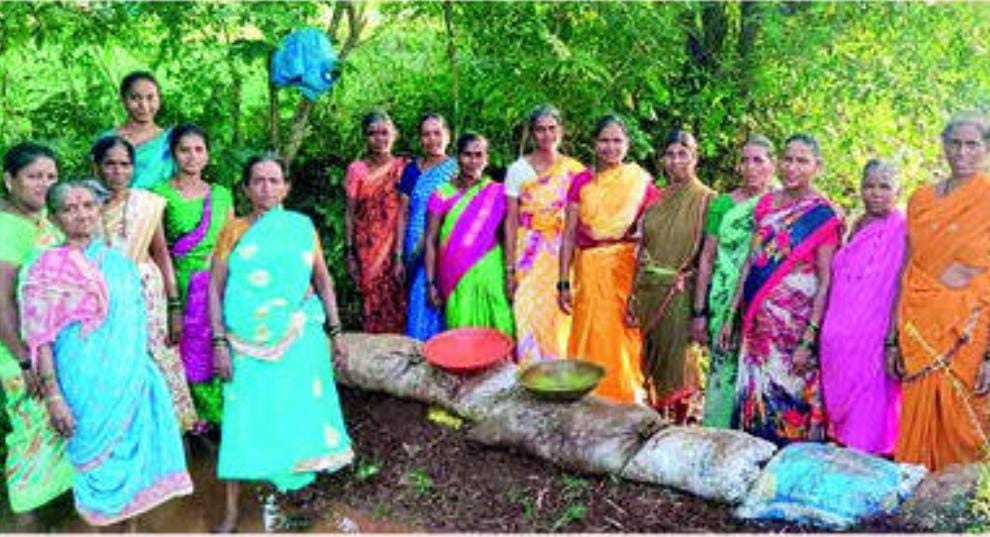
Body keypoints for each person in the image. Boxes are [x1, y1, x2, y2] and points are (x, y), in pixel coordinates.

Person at [20, 180, 192, 528]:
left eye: (88, 205)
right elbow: (41, 340)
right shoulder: (44, 268)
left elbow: (136, 325)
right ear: (53, 217)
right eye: (69, 208)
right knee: (92, 467)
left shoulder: (120, 265)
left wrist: (145, 374)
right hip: (81, 387)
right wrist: (54, 397)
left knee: (136, 468)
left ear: (99, 209)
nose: (81, 214)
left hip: (130, 381)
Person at [210, 155, 353, 533]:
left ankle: (292, 496)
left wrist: (336, 332)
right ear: (245, 188)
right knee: (242, 421)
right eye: (258, 181)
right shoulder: (233, 231)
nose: (266, 188)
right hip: (243, 341)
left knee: (293, 413)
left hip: (297, 337)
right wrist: (219, 341)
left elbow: (322, 281)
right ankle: (231, 512)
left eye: (275, 181)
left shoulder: (301, 227)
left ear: (286, 187)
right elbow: (215, 288)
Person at [722, 133, 843, 445]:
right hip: (757, 324)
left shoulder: (823, 215)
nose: (792, 167)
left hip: (795, 328)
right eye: (787, 159)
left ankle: (786, 464)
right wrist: (731, 314)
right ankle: (750, 459)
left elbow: (826, 280)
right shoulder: (766, 204)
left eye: (802, 161)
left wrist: (809, 338)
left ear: (817, 166)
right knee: (753, 395)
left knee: (790, 400)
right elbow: (751, 262)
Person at [890, 112, 990, 471]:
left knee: (966, 421)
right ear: (944, 146)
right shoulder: (920, 200)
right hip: (918, 320)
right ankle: (917, 491)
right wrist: (892, 337)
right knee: (917, 414)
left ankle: (964, 497)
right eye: (955, 143)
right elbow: (907, 268)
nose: (962, 152)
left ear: (986, 149)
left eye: (972, 144)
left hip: (970, 326)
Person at [92, 136, 199, 432]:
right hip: (103, 300)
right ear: (96, 167)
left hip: (147, 297)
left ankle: (169, 434)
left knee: (159, 363)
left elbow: (162, 255)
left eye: (125, 164)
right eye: (110, 164)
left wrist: (174, 307)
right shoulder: (85, 206)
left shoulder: (147, 204)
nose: (118, 172)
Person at [559, 115, 659, 404]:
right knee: (590, 332)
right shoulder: (581, 182)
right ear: (594, 143)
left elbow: (655, 234)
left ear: (627, 144)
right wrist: (563, 282)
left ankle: (624, 398)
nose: (611, 147)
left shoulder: (640, 183)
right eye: (604, 140)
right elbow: (568, 235)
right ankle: (587, 397)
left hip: (626, 270)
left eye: (617, 140)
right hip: (589, 270)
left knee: (622, 335)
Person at [0, 143, 73, 524]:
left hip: (51, 348)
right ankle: (25, 519)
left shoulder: (45, 220)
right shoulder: (6, 228)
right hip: (18, 352)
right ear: (9, 180)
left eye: (51, 176)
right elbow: (1, 301)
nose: (44, 183)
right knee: (30, 432)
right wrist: (23, 361)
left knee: (56, 426)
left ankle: (53, 514)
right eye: (34, 176)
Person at [819, 159, 904, 456]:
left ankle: (868, 460)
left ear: (898, 191)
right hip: (838, 335)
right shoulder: (854, 225)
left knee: (870, 407)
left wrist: (893, 337)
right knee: (842, 412)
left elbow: (903, 284)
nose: (876, 193)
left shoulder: (903, 230)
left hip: (874, 335)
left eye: (885, 187)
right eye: (869, 186)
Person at [151, 124, 233, 428]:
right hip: (181, 285)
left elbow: (230, 245)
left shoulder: (221, 195)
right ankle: (196, 422)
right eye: (184, 150)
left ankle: (224, 418)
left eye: (199, 149)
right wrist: (173, 303)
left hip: (218, 284)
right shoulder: (158, 195)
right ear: (173, 154)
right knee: (187, 350)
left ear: (208, 155)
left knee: (220, 345)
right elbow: (159, 252)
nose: (192, 156)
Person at [631, 130, 714, 422]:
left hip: (680, 292)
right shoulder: (655, 199)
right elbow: (642, 247)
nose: (675, 161)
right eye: (670, 155)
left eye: (683, 154)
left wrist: (701, 308)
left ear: (695, 158)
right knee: (651, 360)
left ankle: (679, 426)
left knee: (679, 363)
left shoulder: (706, 200)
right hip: (648, 290)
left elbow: (708, 256)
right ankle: (656, 422)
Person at [695, 135, 776, 428]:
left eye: (758, 160)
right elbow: (707, 258)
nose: (750, 167)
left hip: (764, 301)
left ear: (772, 165)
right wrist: (699, 311)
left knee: (760, 371)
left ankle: (753, 436)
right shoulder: (723, 204)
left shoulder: (781, 206)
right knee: (723, 369)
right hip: (723, 297)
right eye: (745, 160)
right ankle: (716, 433)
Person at [504, 105, 584, 362]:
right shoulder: (518, 170)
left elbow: (583, 218)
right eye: (540, 130)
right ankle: (531, 373)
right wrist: (509, 270)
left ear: (561, 130)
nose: (547, 135)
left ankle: (560, 376)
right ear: (531, 133)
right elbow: (511, 221)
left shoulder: (574, 170)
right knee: (526, 311)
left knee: (558, 318)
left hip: (562, 253)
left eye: (552, 128)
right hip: (528, 252)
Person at [425, 133, 514, 335]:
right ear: (457, 157)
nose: (473, 161)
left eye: (478, 155)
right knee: (461, 326)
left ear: (487, 159)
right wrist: (430, 283)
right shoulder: (441, 194)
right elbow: (430, 240)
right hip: (454, 274)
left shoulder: (498, 192)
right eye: (467, 155)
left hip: (491, 271)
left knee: (499, 324)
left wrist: (510, 273)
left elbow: (510, 235)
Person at [395, 113, 457, 341]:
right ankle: (420, 350)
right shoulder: (411, 170)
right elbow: (403, 213)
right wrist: (398, 255)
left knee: (444, 299)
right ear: (420, 139)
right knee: (419, 299)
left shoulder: (457, 169)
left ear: (448, 135)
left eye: (437, 133)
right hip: (415, 246)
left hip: (446, 244)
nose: (432, 139)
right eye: (426, 134)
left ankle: (445, 353)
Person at [345, 111, 408, 334]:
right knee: (371, 302)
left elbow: (406, 210)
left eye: (385, 132)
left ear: (394, 134)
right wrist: (350, 254)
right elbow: (350, 213)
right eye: (373, 133)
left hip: (396, 247)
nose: (380, 139)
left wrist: (400, 255)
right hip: (367, 249)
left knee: (398, 303)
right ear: (365, 137)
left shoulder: (404, 167)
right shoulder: (356, 170)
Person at [106, 71, 176, 189]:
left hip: (163, 200)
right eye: (135, 98)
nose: (143, 105)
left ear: (159, 99)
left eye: (150, 98)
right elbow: (98, 187)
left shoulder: (171, 141)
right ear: (123, 100)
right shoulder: (107, 140)